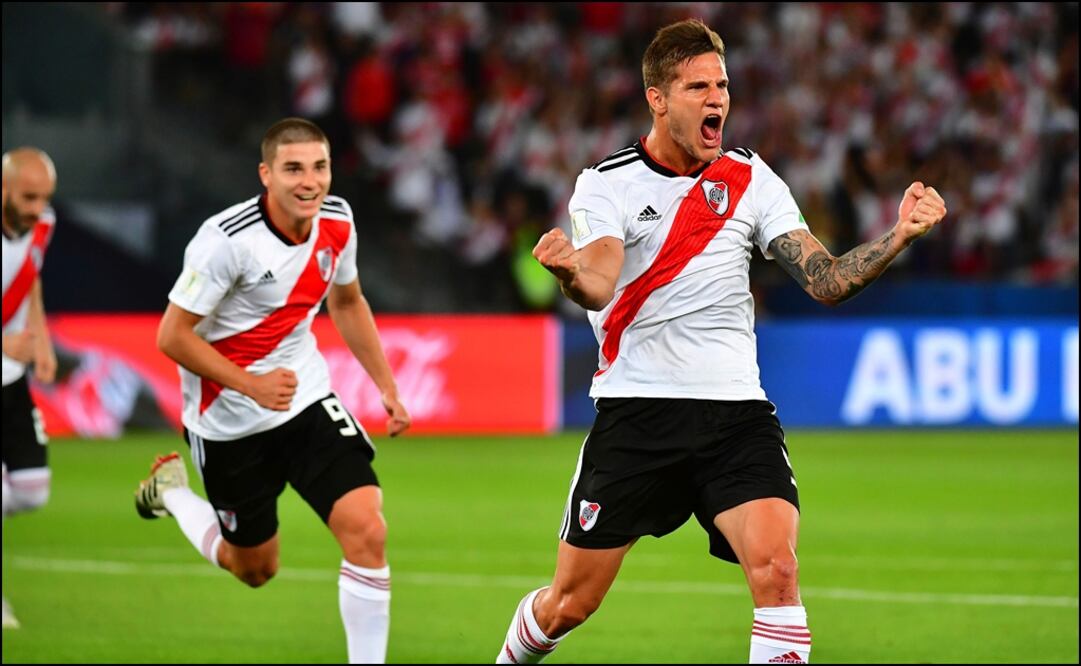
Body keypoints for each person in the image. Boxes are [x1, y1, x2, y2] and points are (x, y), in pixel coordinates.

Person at [496, 19, 947, 665]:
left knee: (776, 571)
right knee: (570, 602)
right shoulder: (606, 183)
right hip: (638, 414)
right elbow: (597, 281)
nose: (717, 100)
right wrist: (569, 272)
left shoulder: (750, 178)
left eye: (722, 85)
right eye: (697, 87)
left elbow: (824, 280)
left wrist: (897, 235)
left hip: (735, 416)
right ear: (657, 97)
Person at [138, 117, 411, 663]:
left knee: (367, 529)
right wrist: (251, 385)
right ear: (266, 174)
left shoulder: (337, 220)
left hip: (305, 398)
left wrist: (386, 385)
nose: (310, 181)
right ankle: (170, 491)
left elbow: (348, 302)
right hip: (228, 420)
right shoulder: (225, 242)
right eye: (293, 169)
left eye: (320, 167)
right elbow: (171, 335)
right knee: (255, 570)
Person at [1, 148, 59, 630]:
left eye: (44, 197)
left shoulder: (43, 223)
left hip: (12, 380)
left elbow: (30, 278)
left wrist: (40, 340)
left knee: (32, 490)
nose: (37, 206)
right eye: (27, 196)